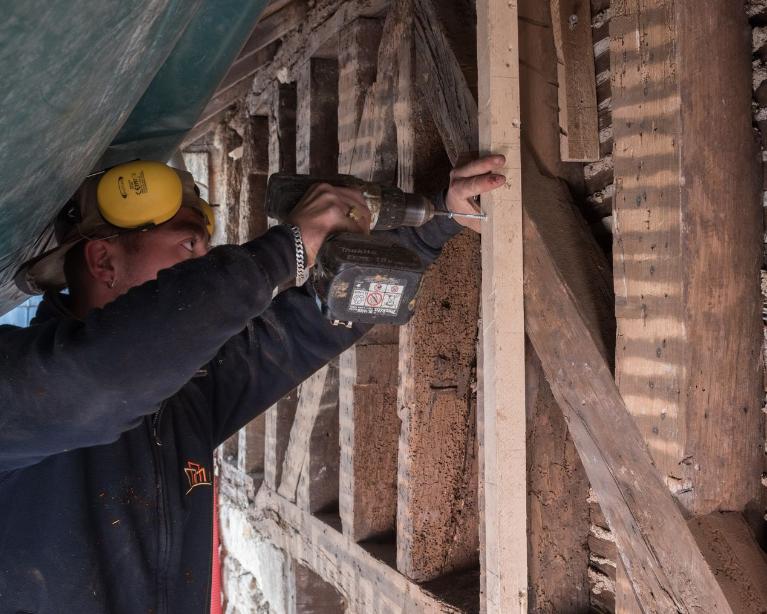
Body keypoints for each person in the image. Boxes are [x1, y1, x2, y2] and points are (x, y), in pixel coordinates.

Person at [0, 155, 506, 613]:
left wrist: (439, 219)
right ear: (104, 261)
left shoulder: (183, 394)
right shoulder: (16, 389)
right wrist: (288, 248)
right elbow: (100, 377)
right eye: (189, 244)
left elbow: (299, 330)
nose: (203, 262)